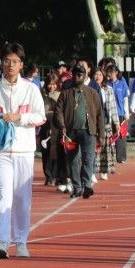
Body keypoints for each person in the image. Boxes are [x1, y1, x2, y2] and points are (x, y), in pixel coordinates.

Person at [0, 43, 46, 258]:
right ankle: (1, 241)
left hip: (24, 150)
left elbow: (41, 116)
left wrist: (20, 117)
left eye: (14, 62)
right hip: (0, 151)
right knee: (2, 196)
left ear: (21, 64)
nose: (10, 65)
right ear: (1, 63)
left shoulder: (31, 89)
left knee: (22, 198)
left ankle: (21, 241)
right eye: (6, 61)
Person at [53, 64, 107, 200]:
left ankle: (87, 185)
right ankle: (77, 187)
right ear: (72, 76)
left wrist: (101, 134)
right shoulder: (65, 93)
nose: (77, 77)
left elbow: (100, 114)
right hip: (70, 133)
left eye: (80, 75)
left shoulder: (93, 93)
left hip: (89, 132)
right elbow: (58, 111)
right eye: (75, 75)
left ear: (85, 76)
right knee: (73, 161)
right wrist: (62, 125)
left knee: (88, 159)